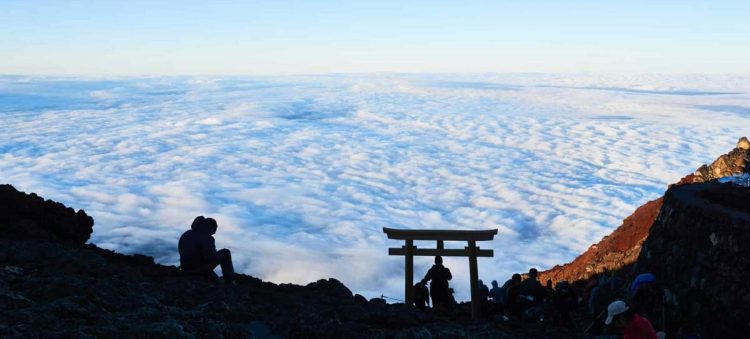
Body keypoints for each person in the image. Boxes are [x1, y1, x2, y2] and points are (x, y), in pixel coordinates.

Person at [178, 216, 235, 283]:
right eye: (212, 232)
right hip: (197, 270)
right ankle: (230, 282)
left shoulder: (187, 233)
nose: (211, 234)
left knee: (217, 281)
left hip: (185, 268)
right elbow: (211, 258)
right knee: (226, 253)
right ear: (211, 227)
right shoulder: (206, 237)